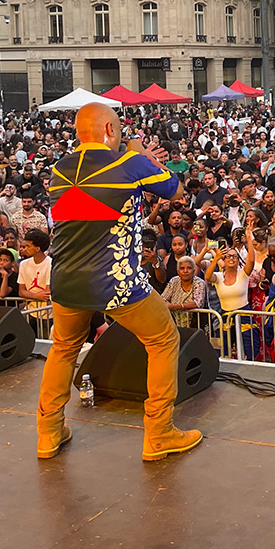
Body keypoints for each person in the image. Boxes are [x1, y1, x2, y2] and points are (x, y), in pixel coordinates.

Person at [36, 103, 200, 463]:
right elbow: (174, 190)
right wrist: (143, 156)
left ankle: (48, 433)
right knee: (163, 339)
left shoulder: (58, 170)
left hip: (66, 279)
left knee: (63, 349)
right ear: (110, 130)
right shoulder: (129, 162)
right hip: (117, 281)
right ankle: (159, 433)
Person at [162, 256, 207, 327]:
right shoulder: (174, 281)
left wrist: (174, 306)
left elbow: (198, 303)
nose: (185, 271)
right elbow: (163, 298)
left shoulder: (199, 283)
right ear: (178, 271)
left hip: (197, 324)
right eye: (182, 268)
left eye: (189, 268)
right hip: (176, 324)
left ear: (194, 270)